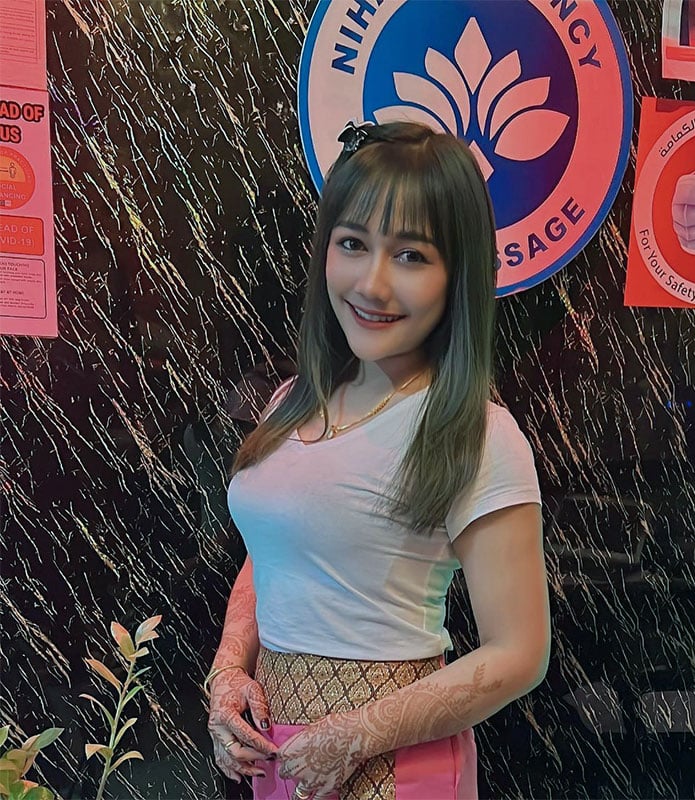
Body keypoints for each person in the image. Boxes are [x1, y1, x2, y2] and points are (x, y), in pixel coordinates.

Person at [205, 121, 551, 800]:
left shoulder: (479, 434)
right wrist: (228, 670)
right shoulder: (290, 401)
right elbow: (276, 549)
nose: (372, 283)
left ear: (459, 273)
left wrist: (358, 733)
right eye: (352, 244)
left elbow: (520, 653)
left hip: (396, 766)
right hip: (279, 754)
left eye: (412, 255)